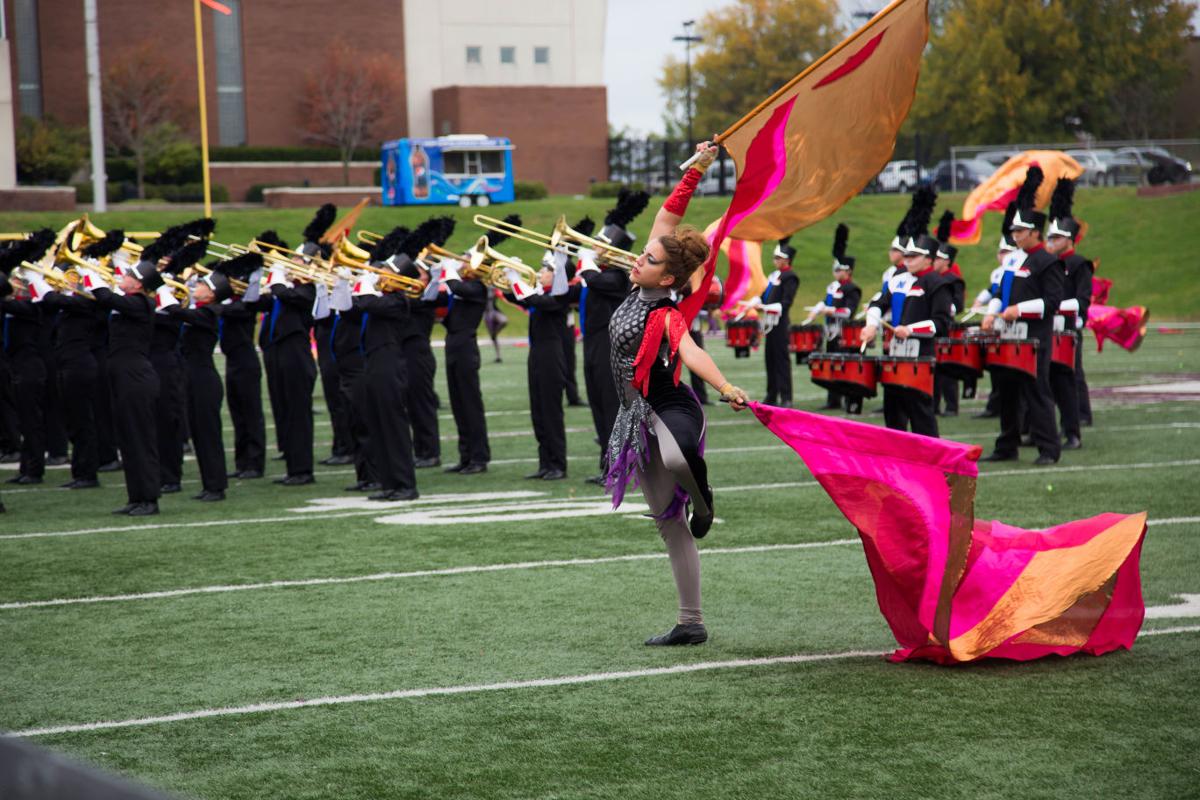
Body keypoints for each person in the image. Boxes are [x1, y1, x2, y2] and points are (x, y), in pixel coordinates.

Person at [605, 141, 749, 647]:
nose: (639, 257)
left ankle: (704, 500)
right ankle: (691, 624)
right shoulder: (636, 288)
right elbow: (668, 218)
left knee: (679, 452)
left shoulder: (667, 312)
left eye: (647, 258)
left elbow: (691, 354)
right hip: (632, 418)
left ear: (667, 276)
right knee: (669, 525)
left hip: (669, 407)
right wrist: (696, 170)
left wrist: (725, 386)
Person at [979, 167, 1064, 466]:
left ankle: (1048, 449)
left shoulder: (1047, 261)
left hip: (1035, 337)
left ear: (1034, 233)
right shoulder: (1012, 260)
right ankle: (1007, 445)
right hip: (1007, 335)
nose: (1014, 236)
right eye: (1013, 231)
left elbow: (1053, 302)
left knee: (1037, 391)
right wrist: (991, 314)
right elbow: (1000, 293)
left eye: (1019, 232)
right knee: (1006, 391)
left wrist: (1020, 310)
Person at [76, 258, 163, 516]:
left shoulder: (141, 303)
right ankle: (136, 497)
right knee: (127, 440)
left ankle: (149, 499)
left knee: (140, 440)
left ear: (137, 283)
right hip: (123, 376)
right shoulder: (128, 302)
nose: (120, 277)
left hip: (135, 377)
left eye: (126, 275)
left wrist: (89, 273)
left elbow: (105, 297)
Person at [862, 231, 953, 438]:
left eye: (914, 256)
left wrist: (911, 330)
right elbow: (878, 304)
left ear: (928, 259)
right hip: (894, 355)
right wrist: (871, 326)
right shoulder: (897, 280)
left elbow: (942, 323)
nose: (908, 260)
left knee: (921, 412)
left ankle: (931, 463)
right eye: (907, 256)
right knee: (893, 413)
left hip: (920, 358)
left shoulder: (937, 284)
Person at [352, 262, 419, 502]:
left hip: (389, 366)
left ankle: (406, 485)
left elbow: (368, 302)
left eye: (385, 273)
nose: (381, 277)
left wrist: (366, 282)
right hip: (374, 365)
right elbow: (354, 306)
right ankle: (389, 483)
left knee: (394, 427)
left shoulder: (398, 301)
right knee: (378, 426)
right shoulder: (382, 298)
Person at [508, 255, 578, 481]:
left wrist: (516, 278)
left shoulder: (559, 297)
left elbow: (534, 300)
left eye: (546, 270)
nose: (540, 272)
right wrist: (509, 277)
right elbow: (517, 297)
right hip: (536, 354)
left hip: (551, 355)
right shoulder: (541, 294)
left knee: (551, 412)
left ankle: (558, 464)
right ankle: (545, 463)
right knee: (538, 412)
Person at [577, 218, 632, 485]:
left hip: (609, 345)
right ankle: (606, 465)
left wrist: (585, 261)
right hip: (591, 343)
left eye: (600, 245)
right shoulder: (598, 273)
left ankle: (618, 467)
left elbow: (595, 281)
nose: (594, 248)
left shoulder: (619, 276)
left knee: (611, 407)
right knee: (597, 404)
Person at [0, 230, 55, 486]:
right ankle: (26, 467)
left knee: (32, 420)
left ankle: (35, 469)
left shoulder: (33, 307)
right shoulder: (16, 305)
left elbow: (9, 304)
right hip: (17, 365)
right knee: (24, 418)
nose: (17, 285)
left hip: (31, 366)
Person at [1044, 178, 1091, 451]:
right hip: (1048, 327)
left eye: (1057, 237)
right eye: (1050, 237)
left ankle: (1075, 427)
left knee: (1071, 377)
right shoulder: (1050, 264)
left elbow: (1083, 299)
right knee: (1047, 380)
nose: (1053, 242)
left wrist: (1056, 307)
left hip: (1069, 326)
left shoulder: (1079, 264)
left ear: (1070, 240)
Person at [439, 250, 492, 475]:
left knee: (471, 406)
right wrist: (435, 277)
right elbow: (442, 304)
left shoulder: (478, 288)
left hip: (466, 348)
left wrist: (448, 269)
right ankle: (466, 456)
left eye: (465, 262)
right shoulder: (463, 287)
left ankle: (479, 457)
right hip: (452, 345)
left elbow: (457, 287)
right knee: (458, 405)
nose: (461, 266)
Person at [812, 224, 862, 414]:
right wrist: (821, 307)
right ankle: (833, 398)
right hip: (831, 331)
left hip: (844, 332)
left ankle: (847, 397)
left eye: (839, 269)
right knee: (831, 363)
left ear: (847, 271)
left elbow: (848, 312)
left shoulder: (852, 289)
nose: (836, 272)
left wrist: (829, 310)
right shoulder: (832, 287)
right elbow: (827, 303)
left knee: (843, 364)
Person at [758, 237, 800, 407]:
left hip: (780, 323)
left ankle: (786, 396)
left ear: (786, 259)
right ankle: (771, 393)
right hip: (769, 324)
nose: (775, 261)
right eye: (774, 258)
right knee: (770, 358)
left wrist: (767, 307)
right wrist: (757, 302)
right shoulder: (774, 275)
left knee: (782, 359)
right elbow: (764, 296)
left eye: (778, 258)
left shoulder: (791, 277)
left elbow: (786, 302)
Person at [932, 211, 966, 417]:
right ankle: (934, 404)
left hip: (947, 326)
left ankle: (952, 405)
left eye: (937, 259)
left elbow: (958, 305)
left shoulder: (953, 279)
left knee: (947, 368)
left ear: (945, 261)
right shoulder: (932, 279)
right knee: (934, 368)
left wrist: (942, 308)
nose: (933, 262)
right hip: (934, 326)